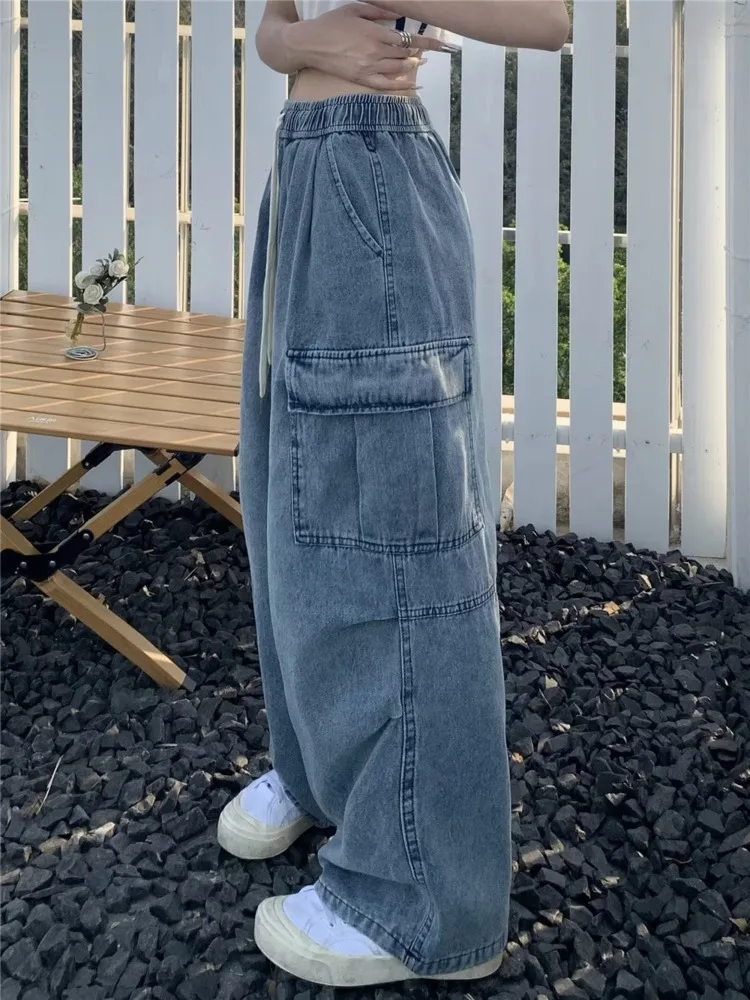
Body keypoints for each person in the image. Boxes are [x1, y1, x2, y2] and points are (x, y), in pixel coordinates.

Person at [218, 0, 569, 987]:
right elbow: (273, 29)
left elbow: (549, 19)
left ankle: (424, 895)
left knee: (397, 523)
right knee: (297, 497)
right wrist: (308, 42)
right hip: (306, 170)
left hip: (371, 172)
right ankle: (327, 774)